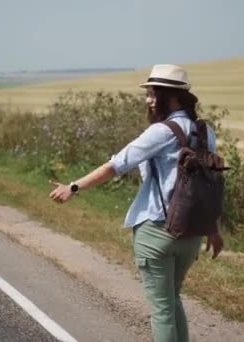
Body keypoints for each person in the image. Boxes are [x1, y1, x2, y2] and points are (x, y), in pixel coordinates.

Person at [49, 64, 224, 342]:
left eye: (153, 93)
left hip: (156, 231)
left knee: (162, 310)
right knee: (173, 299)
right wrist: (214, 229)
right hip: (191, 234)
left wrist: (73, 187)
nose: (148, 99)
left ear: (172, 96)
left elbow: (116, 165)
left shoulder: (162, 131)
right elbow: (208, 186)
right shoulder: (206, 133)